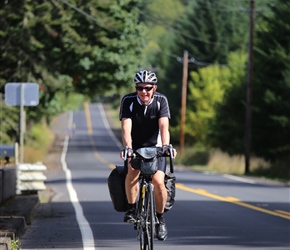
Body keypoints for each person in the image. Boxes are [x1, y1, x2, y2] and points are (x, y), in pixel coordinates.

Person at [119, 70, 177, 241]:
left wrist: (166, 146)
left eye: (148, 88)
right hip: (135, 146)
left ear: (154, 88)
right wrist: (128, 148)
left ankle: (160, 219)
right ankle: (131, 209)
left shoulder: (161, 101)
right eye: (140, 88)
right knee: (132, 174)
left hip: (156, 146)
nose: (144, 91)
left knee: (159, 182)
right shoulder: (128, 101)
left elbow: (164, 127)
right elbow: (125, 128)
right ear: (136, 88)